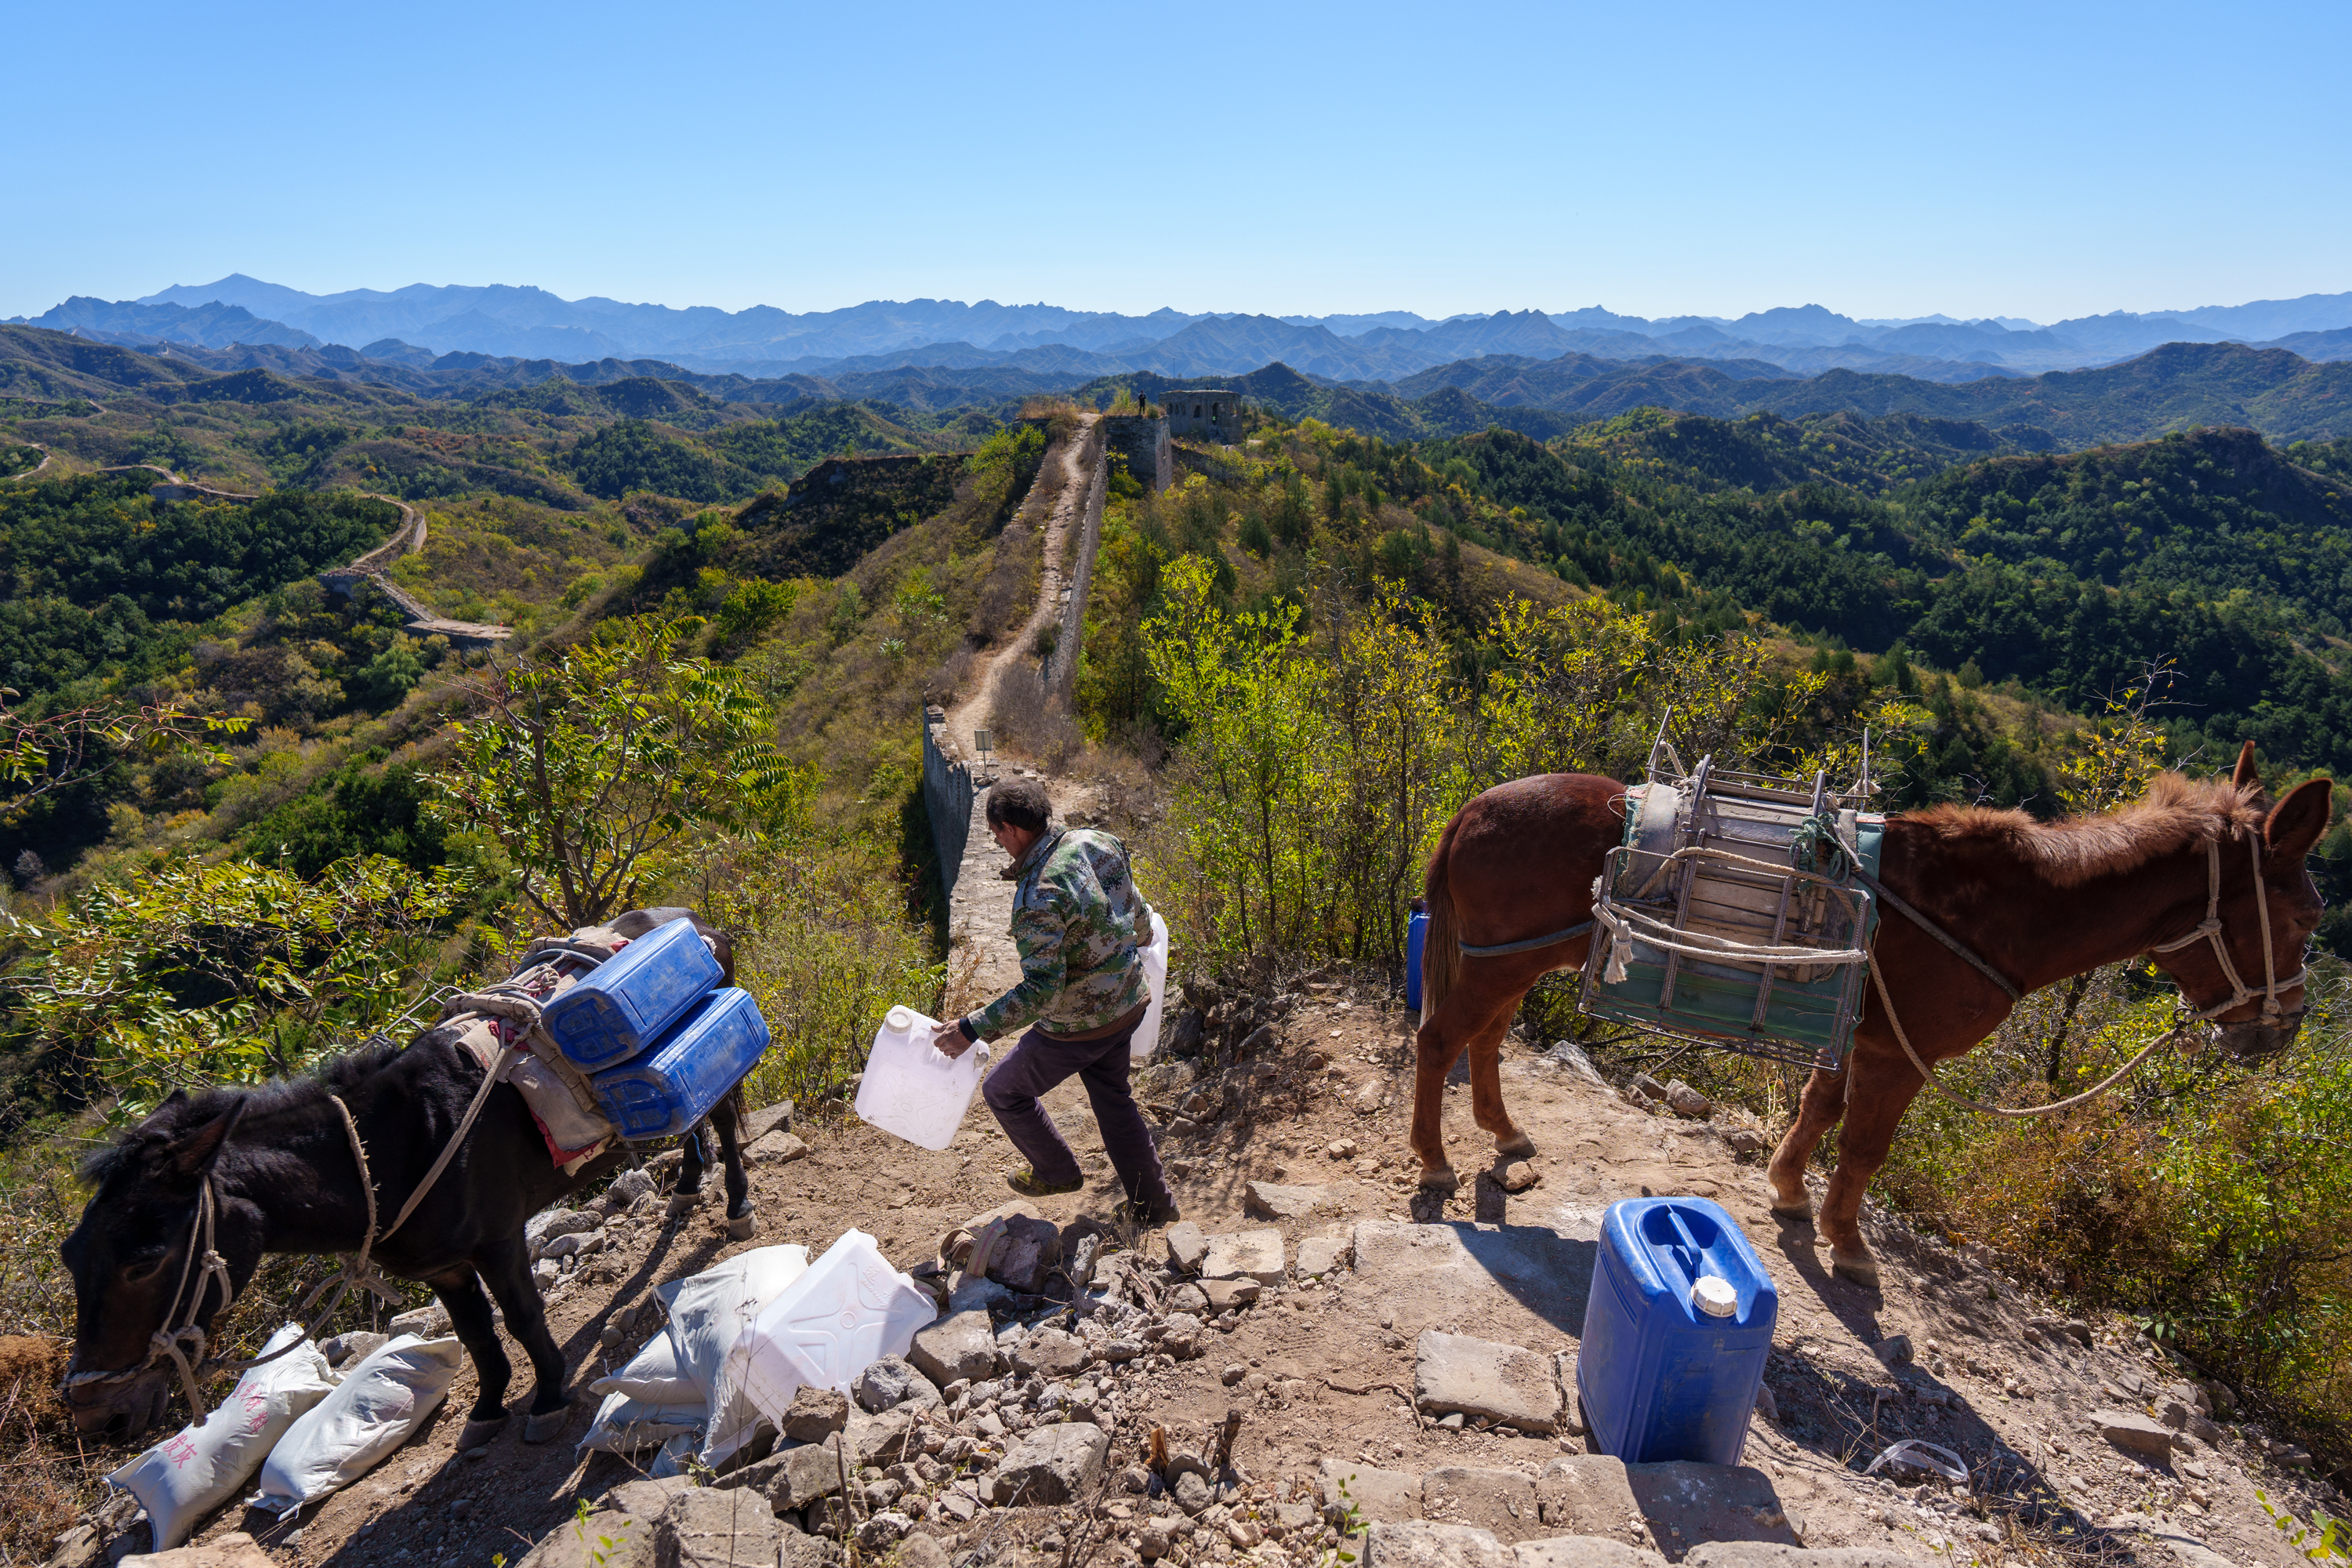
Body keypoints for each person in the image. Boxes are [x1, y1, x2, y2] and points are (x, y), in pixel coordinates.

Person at [931, 778, 1176, 1224]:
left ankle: (1056, 1170)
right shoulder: (1094, 841)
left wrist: (971, 1028)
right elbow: (1136, 910)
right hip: (1129, 1000)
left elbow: (1043, 991)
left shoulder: (1037, 896)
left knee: (1003, 1090)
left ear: (1011, 829)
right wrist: (1139, 950)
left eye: (996, 835)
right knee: (1114, 1100)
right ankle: (1155, 1206)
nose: (999, 844)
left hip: (1083, 1025)